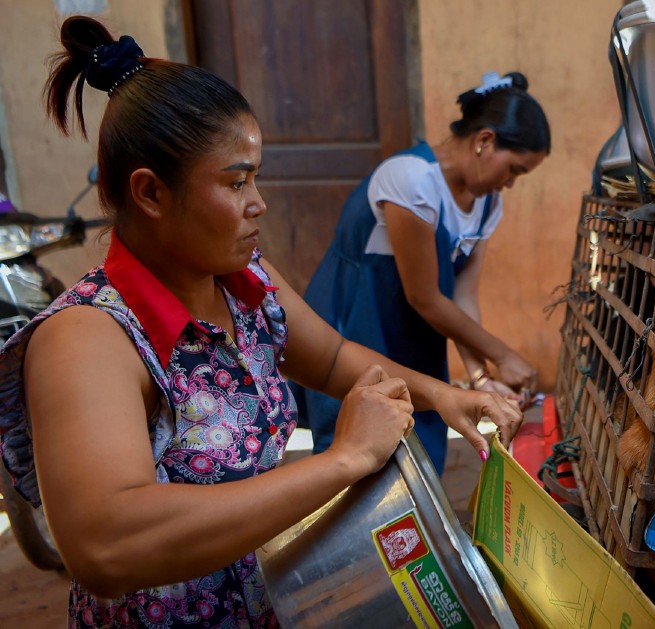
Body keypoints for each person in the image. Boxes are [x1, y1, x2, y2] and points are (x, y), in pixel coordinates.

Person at [0, 16, 522, 627]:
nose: (259, 203)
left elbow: (327, 358)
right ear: (150, 194)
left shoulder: (246, 284)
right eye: (236, 181)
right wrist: (343, 459)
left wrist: (446, 397)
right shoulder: (87, 337)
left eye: (257, 177)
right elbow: (106, 547)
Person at [298, 70, 551, 473]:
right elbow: (425, 296)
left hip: (415, 333)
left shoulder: (486, 204)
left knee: (421, 445)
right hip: (361, 320)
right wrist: (503, 353)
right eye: (515, 170)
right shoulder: (412, 180)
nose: (511, 184)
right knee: (357, 448)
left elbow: (462, 297)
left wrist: (481, 376)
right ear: (485, 141)